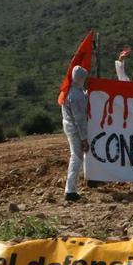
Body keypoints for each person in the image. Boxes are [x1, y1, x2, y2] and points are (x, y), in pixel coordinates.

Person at [60, 65, 90, 202]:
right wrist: (84, 139)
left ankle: (86, 179)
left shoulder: (71, 91)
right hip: (74, 129)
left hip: (69, 126)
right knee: (76, 157)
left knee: (78, 157)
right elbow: (80, 120)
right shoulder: (76, 96)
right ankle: (70, 191)